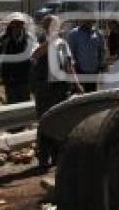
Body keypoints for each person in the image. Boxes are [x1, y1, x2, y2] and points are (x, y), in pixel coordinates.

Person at [31, 15, 83, 168]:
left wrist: (77, 84)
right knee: (45, 121)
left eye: (57, 25)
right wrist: (49, 43)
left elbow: (69, 65)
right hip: (45, 89)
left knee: (60, 121)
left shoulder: (63, 43)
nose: (56, 28)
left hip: (61, 87)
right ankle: (43, 157)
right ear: (45, 27)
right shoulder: (38, 41)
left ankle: (57, 156)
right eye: (52, 25)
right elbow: (34, 56)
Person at [0, 12, 35, 104]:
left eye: (20, 24)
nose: (18, 26)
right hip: (9, 76)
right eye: (15, 24)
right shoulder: (4, 38)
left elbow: (34, 53)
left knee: (24, 102)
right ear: (11, 25)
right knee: (12, 102)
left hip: (25, 76)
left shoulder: (29, 38)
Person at [66, 19, 106, 92]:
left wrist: (102, 67)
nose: (88, 22)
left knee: (92, 94)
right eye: (86, 20)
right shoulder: (74, 34)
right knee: (80, 94)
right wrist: (73, 70)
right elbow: (70, 53)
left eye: (90, 20)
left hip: (94, 71)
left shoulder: (98, 34)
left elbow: (102, 51)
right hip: (80, 71)